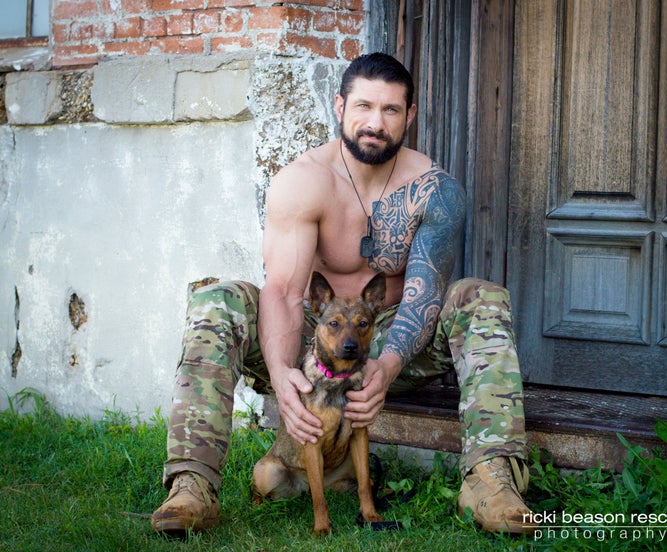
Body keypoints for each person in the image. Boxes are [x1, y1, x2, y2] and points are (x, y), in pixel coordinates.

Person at [151, 52, 534, 535]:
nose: (376, 122)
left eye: (391, 110)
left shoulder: (436, 191)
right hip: (313, 344)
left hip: (394, 342)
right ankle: (192, 486)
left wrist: (386, 366)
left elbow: (422, 297)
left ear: (410, 115)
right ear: (340, 106)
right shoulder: (303, 182)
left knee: (481, 296)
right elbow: (287, 292)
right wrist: (282, 374)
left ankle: (491, 483)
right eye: (364, 106)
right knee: (218, 299)